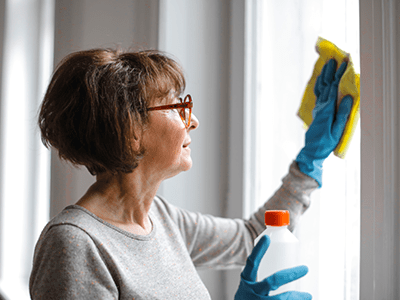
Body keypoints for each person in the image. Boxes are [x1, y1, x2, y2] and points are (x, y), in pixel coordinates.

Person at [29, 48, 352, 299]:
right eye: (174, 107)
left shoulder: (163, 219)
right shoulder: (74, 244)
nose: (193, 120)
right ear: (129, 130)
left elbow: (251, 237)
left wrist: (310, 159)